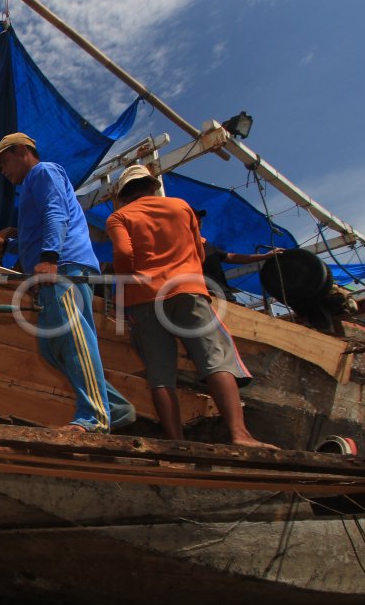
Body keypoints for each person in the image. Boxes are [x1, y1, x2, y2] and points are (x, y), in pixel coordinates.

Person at [104, 165, 275, 448]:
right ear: (151, 186)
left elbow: (123, 252)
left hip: (143, 300)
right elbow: (200, 250)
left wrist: (130, 279)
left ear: (123, 194)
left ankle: (177, 443)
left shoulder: (119, 217)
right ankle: (239, 435)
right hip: (187, 290)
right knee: (214, 361)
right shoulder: (182, 207)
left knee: (161, 376)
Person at [0, 132, 136, 433]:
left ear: (23, 150)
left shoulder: (43, 172)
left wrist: (50, 257)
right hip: (55, 269)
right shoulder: (28, 190)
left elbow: (56, 213)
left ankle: (93, 417)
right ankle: (115, 406)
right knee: (52, 348)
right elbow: (33, 236)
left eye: (4, 162)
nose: (3, 171)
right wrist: (7, 245)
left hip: (64, 267)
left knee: (72, 338)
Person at [194, 209, 282, 300]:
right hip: (202, 296)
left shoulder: (206, 244)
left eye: (199, 218)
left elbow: (231, 257)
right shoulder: (181, 245)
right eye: (195, 217)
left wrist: (264, 256)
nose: (200, 220)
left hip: (223, 294)